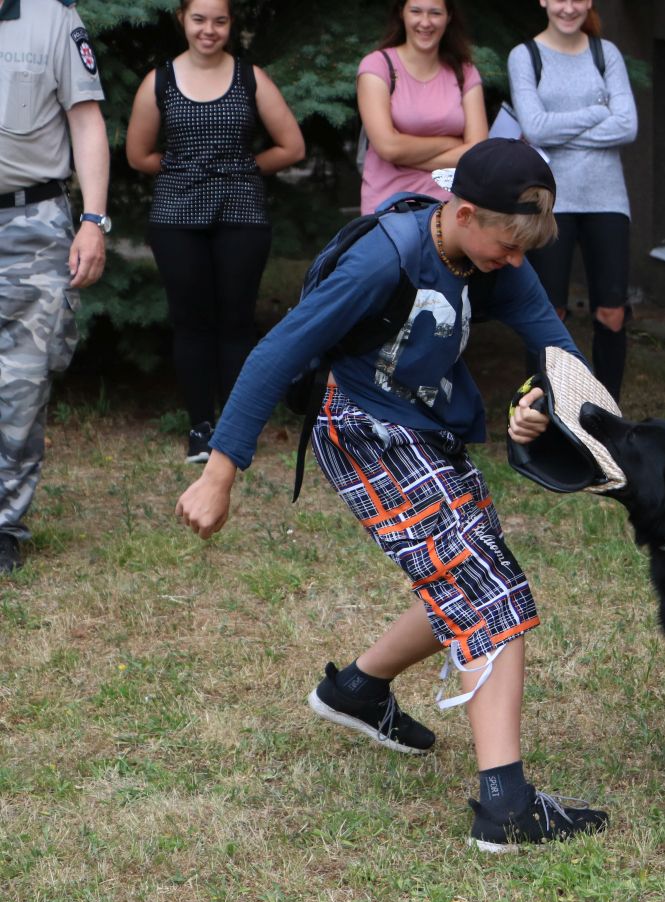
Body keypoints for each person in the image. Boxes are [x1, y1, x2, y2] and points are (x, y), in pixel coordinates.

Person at [175, 139, 609, 852]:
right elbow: (275, 352)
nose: (516, 262)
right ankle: (507, 806)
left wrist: (539, 401)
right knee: (485, 585)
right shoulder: (385, 258)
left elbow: (559, 356)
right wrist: (220, 472)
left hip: (426, 422)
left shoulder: (498, 256)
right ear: (463, 213)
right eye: (507, 245)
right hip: (361, 426)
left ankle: (358, 689)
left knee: (470, 569)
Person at [125, 0, 305, 463]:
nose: (209, 30)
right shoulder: (160, 81)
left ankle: (236, 426)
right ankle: (200, 426)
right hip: (176, 216)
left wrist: (244, 168)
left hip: (241, 213)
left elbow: (292, 145)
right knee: (191, 321)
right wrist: (186, 170)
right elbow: (138, 154)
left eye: (219, 21)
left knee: (236, 321)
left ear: (230, 24)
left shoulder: (250, 77)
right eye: (199, 19)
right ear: (182, 20)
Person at [0, 0, 109, 576]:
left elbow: (86, 120)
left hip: (32, 224)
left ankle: (3, 526)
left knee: (21, 383)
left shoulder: (51, 18)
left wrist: (94, 220)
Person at [507, 0, 638, 403]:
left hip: (607, 200)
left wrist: (556, 129)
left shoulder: (606, 53)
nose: (569, 7)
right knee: (550, 312)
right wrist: (597, 113)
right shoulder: (525, 55)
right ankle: (547, 412)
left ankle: (608, 413)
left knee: (612, 313)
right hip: (550, 202)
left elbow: (628, 125)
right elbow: (533, 126)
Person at [357, 0, 486, 215]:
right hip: (389, 208)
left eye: (435, 13)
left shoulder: (464, 71)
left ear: (449, 16)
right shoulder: (377, 66)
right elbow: (388, 147)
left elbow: (477, 152)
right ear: (402, 13)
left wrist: (405, 151)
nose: (425, 23)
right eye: (416, 11)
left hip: (451, 209)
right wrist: (451, 142)